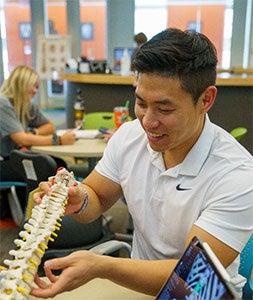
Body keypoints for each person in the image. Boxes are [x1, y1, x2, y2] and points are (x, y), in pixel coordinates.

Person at [31, 28, 253, 298]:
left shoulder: (237, 174)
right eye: (141, 103)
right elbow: (98, 195)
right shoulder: (129, 136)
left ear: (205, 99)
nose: (148, 121)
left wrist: (103, 266)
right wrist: (80, 199)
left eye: (164, 108)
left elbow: (191, 279)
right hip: (138, 288)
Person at [0, 65, 75, 209]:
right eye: (33, 86)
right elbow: (21, 139)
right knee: (45, 167)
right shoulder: (3, 104)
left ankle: (56, 212)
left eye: (37, 87)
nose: (35, 91)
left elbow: (50, 126)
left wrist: (34, 133)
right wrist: (57, 140)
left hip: (14, 158)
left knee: (58, 164)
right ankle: (36, 214)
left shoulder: (26, 106)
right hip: (3, 162)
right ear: (22, 84)